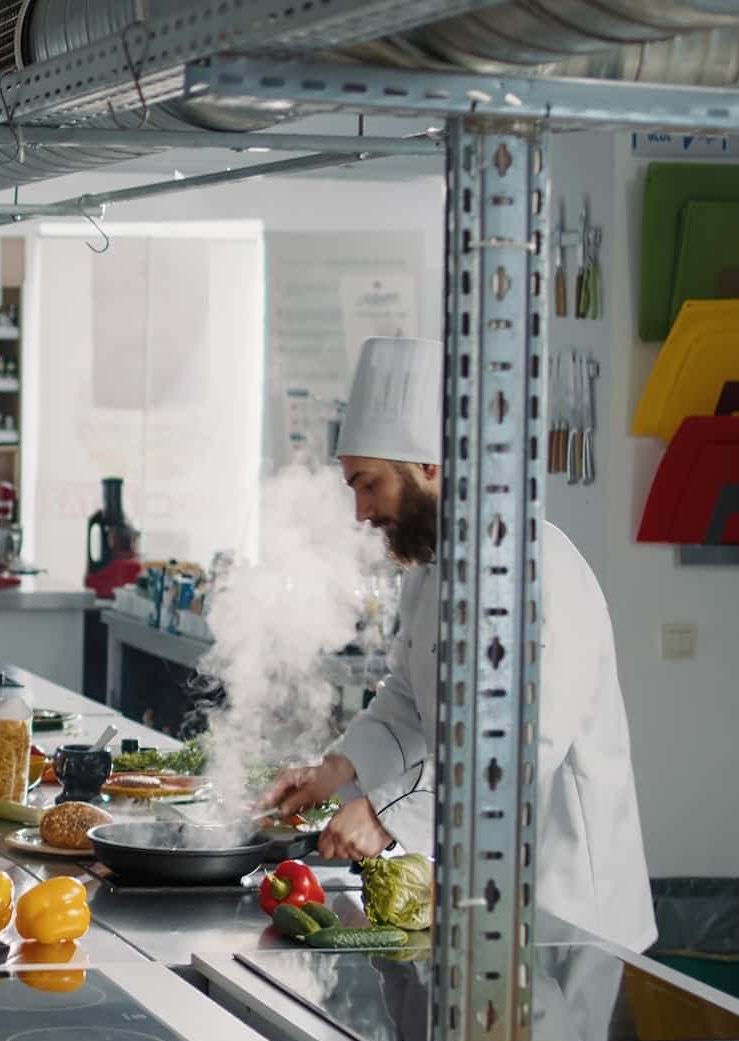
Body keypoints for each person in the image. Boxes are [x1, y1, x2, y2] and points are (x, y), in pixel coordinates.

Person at [259, 337, 656, 952]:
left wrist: (385, 814)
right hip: (469, 893)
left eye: (368, 485)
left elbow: (518, 750)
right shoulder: (430, 569)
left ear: (429, 467)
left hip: (565, 915)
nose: (361, 511)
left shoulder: (538, 568)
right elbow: (407, 702)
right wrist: (336, 771)